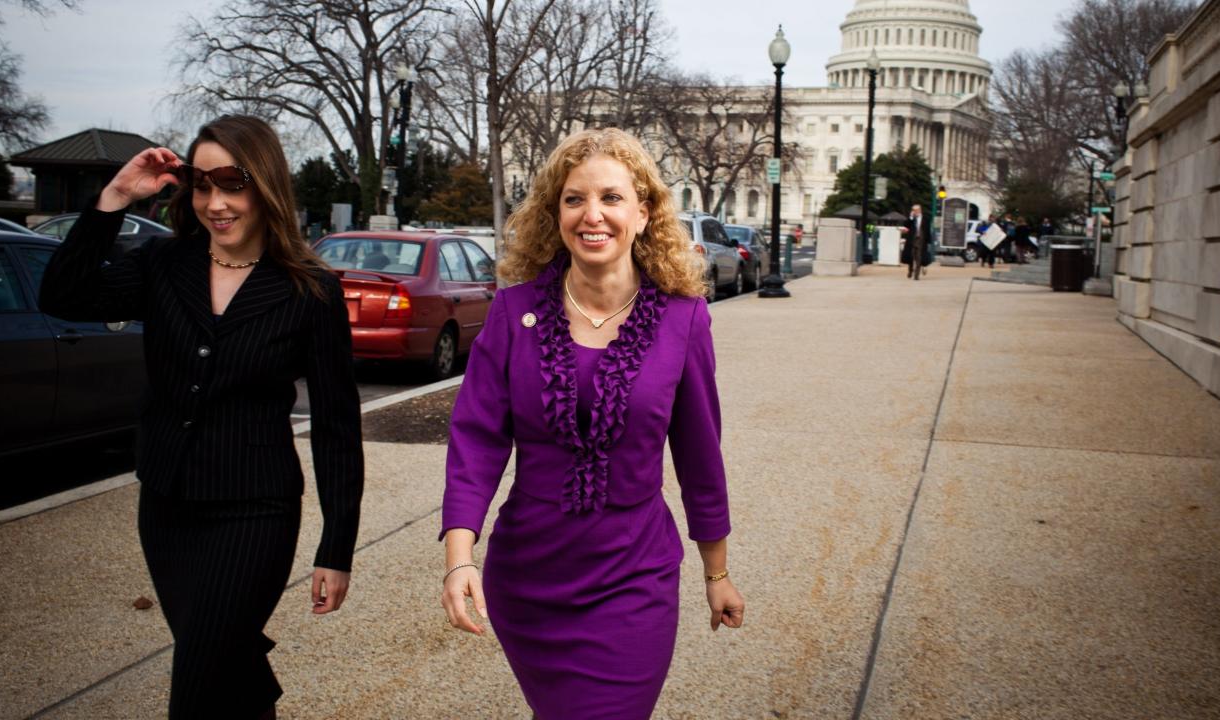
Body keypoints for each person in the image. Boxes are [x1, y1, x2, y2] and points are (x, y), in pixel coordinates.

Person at [39, 115, 363, 719]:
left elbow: (338, 425)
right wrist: (114, 198)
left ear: (264, 185)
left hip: (254, 512)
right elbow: (62, 295)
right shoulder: (164, 266)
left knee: (195, 681)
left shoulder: (310, 290)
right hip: (166, 506)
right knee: (221, 661)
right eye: (202, 185)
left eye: (232, 184)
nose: (216, 203)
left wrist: (336, 545)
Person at [439, 128, 745, 719]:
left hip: (633, 577)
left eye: (611, 197)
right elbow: (475, 443)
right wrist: (460, 557)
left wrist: (717, 573)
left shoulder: (684, 320)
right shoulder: (513, 311)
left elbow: (701, 458)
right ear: (555, 213)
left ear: (644, 210)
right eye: (574, 199)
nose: (592, 215)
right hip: (529, 578)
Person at [901, 203, 930, 280]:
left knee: (919, 257)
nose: (915, 211)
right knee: (911, 256)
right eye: (913, 210)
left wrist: (928, 241)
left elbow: (927, 230)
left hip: (921, 240)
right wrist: (910, 217)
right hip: (912, 240)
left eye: (916, 210)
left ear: (920, 210)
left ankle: (916, 275)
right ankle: (910, 270)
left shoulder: (925, 219)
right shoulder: (912, 219)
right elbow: (906, 225)